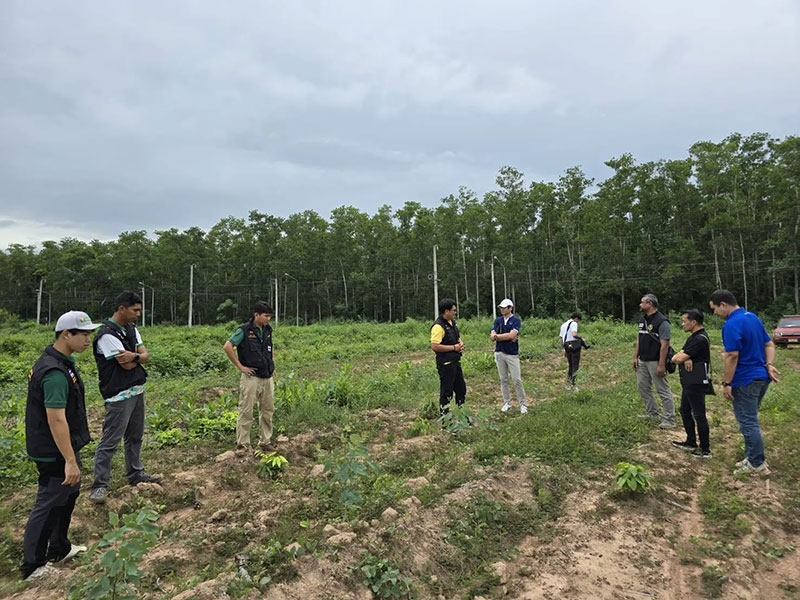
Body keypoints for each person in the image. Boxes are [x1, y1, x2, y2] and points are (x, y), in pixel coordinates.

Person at [21, 311, 99, 580]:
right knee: (50, 499)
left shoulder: (62, 362)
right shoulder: (54, 372)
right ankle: (33, 565)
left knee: (69, 492)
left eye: (90, 334)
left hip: (60, 446)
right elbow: (56, 419)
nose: (88, 339)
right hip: (53, 449)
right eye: (84, 334)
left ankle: (59, 547)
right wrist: (69, 459)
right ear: (66, 335)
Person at [90, 292, 161, 504]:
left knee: (135, 436)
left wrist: (136, 356)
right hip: (119, 395)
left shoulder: (131, 329)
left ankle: (135, 473)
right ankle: (99, 485)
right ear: (122, 308)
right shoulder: (106, 335)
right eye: (135, 310)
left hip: (137, 390)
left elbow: (144, 357)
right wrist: (138, 357)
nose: (138, 314)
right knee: (110, 440)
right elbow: (127, 364)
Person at [709, 290, 780, 475]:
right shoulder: (752, 318)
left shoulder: (731, 324)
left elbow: (732, 356)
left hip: (745, 379)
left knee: (748, 422)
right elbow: (769, 344)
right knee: (750, 419)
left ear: (723, 304)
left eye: (714, 309)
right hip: (761, 377)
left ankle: (757, 463)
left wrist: (727, 383)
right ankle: (751, 457)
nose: (715, 313)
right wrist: (769, 364)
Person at [223, 301, 276, 457]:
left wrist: (271, 364)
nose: (268, 319)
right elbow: (227, 346)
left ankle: (265, 442)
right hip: (251, 377)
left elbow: (270, 348)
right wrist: (240, 366)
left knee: (267, 410)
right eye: (266, 316)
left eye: (269, 316)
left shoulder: (267, 330)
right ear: (256, 315)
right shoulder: (244, 331)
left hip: (267, 376)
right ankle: (243, 445)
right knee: (246, 410)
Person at [670, 310, 714, 458]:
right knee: (684, 410)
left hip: (696, 383)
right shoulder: (694, 337)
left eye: (684, 321)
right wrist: (686, 357)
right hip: (689, 382)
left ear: (694, 322)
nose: (682, 324)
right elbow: (682, 353)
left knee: (699, 415)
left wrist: (682, 358)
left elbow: (677, 358)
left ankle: (705, 449)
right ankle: (691, 441)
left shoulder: (699, 339)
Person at [633, 293, 675, 428]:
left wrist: (661, 365)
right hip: (643, 360)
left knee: (662, 389)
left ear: (650, 303)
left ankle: (669, 419)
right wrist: (635, 357)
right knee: (643, 387)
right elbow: (639, 339)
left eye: (642, 302)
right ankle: (652, 414)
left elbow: (665, 345)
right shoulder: (642, 320)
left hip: (655, 361)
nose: (640, 305)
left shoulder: (662, 322)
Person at [490, 299, 527, 413]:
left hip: (512, 354)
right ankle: (507, 402)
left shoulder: (516, 320)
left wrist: (497, 336)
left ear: (510, 308)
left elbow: (512, 335)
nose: (502, 310)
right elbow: (492, 336)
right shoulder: (498, 320)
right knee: (503, 379)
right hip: (499, 352)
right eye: (501, 308)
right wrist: (502, 336)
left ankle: (522, 404)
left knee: (517, 379)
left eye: (504, 308)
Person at [431, 298, 466, 415]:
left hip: (455, 362)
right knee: (446, 393)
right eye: (453, 310)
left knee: (461, 390)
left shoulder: (452, 323)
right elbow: (435, 346)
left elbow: (456, 337)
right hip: (445, 365)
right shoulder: (438, 326)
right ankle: (445, 420)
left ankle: (462, 416)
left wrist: (460, 343)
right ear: (446, 311)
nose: (455, 313)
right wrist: (454, 347)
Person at [559, 312, 585, 388]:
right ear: (576, 318)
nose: (578, 322)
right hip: (574, 346)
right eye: (578, 320)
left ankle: (568, 383)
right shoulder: (574, 323)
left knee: (570, 365)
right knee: (575, 366)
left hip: (567, 346)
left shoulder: (563, 325)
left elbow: (562, 338)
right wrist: (581, 338)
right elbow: (574, 334)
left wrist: (564, 350)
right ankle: (574, 384)